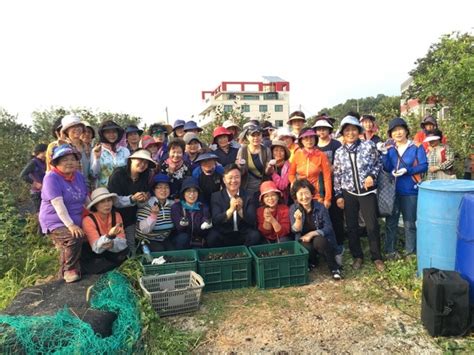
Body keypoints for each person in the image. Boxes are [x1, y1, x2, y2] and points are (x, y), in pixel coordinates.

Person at [333, 115, 384, 272]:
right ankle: (358, 256)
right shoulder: (339, 152)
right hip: (349, 193)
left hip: (367, 192)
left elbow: (378, 163)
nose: (350, 133)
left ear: (358, 131)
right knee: (352, 226)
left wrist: (371, 176)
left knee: (372, 225)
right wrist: (339, 195)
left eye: (353, 129)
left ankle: (377, 257)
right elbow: (337, 175)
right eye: (347, 130)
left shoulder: (368, 146)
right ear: (343, 133)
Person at [39, 144, 88, 283]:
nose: (70, 162)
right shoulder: (51, 178)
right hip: (56, 220)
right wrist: (71, 225)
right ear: (56, 162)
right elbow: (58, 205)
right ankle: (69, 269)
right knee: (75, 236)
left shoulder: (78, 176)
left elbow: (86, 198)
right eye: (65, 159)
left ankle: (62, 273)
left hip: (75, 218)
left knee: (87, 235)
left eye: (73, 159)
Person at [382, 117, 428, 258]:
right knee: (391, 222)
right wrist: (384, 155)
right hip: (393, 191)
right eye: (394, 131)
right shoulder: (391, 150)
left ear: (406, 131)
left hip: (410, 191)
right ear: (391, 134)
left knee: (409, 223)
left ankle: (410, 251)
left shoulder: (416, 147)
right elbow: (387, 167)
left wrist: (407, 170)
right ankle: (390, 251)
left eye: (400, 129)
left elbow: (424, 165)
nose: (398, 133)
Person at [289, 180, 342, 280]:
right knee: (304, 246)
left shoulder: (320, 207)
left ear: (311, 194)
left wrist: (312, 233)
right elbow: (295, 230)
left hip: (321, 239)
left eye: (306, 193)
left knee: (320, 241)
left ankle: (334, 268)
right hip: (304, 241)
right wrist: (298, 220)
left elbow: (328, 227)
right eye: (300, 194)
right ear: (295, 196)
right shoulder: (293, 208)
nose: (304, 197)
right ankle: (313, 262)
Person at [108, 149, 156, 254]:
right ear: (132, 159)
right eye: (140, 160)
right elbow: (114, 200)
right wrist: (132, 198)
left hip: (131, 217)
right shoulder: (118, 174)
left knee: (131, 246)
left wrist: (143, 199)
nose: (143, 164)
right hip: (115, 218)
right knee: (115, 246)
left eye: (146, 162)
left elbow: (140, 204)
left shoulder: (144, 176)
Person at [313, 119, 345, 263]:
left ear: (329, 130)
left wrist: (330, 168)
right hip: (317, 186)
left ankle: (339, 244)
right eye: (319, 129)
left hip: (334, 184)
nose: (321, 132)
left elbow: (340, 163)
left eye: (324, 129)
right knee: (321, 217)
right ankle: (324, 246)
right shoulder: (313, 146)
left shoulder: (336, 144)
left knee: (336, 215)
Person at [207, 164, 261, 247]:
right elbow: (216, 220)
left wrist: (240, 211)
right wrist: (231, 210)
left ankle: (244, 256)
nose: (234, 180)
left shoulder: (249, 195)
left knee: (255, 235)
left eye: (237, 177)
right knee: (212, 237)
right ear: (224, 180)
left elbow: (252, 220)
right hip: (224, 232)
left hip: (243, 232)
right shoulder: (216, 196)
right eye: (230, 178)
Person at [81, 188, 129, 274]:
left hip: (112, 250)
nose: (107, 204)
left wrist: (113, 244)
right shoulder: (88, 220)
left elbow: (123, 242)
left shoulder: (116, 215)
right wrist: (109, 236)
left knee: (124, 254)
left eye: (109, 200)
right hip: (95, 253)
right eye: (102, 201)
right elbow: (96, 248)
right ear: (95, 205)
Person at [289, 128, 332, 208]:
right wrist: (295, 183)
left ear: (315, 139)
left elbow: (327, 178)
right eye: (306, 138)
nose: (309, 140)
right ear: (301, 140)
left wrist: (327, 198)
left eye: (311, 137)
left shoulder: (321, 155)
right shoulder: (297, 155)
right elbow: (291, 174)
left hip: (317, 194)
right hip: (301, 194)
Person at [136, 173, 175, 252]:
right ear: (154, 190)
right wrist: (153, 215)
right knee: (159, 250)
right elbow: (144, 230)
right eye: (159, 187)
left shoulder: (171, 205)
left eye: (166, 187)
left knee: (173, 253)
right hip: (146, 240)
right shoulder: (147, 205)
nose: (163, 190)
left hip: (163, 239)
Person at [171, 178, 211, 249]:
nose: (192, 194)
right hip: (181, 241)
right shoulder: (176, 207)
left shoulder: (203, 206)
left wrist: (206, 223)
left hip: (197, 240)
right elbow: (179, 228)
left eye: (195, 191)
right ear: (183, 193)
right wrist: (182, 224)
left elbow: (206, 218)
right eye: (188, 191)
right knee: (183, 238)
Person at [90, 120, 130, 188]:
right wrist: (97, 158)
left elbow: (129, 172)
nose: (111, 135)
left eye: (114, 132)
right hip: (104, 191)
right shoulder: (96, 150)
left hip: (122, 190)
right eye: (108, 132)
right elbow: (93, 174)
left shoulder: (125, 151)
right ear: (103, 134)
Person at [236, 125, 272, 199]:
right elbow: (240, 172)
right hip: (246, 186)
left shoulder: (266, 150)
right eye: (253, 135)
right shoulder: (243, 150)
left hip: (262, 187)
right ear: (248, 137)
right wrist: (239, 165)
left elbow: (267, 173)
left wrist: (269, 167)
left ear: (261, 136)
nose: (256, 138)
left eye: (258, 135)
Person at [59, 114, 90, 179]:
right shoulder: (62, 147)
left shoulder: (87, 147)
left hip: (87, 185)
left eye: (79, 126)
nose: (77, 129)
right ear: (66, 131)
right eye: (73, 127)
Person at [20, 143, 47, 213]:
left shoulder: (45, 162)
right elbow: (23, 175)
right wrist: (36, 184)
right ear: (42, 152)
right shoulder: (34, 162)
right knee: (40, 213)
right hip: (37, 193)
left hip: (45, 191)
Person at [267, 140, 291, 204]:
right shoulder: (268, 164)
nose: (278, 153)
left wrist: (273, 173)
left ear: (285, 153)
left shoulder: (289, 166)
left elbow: (283, 186)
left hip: (285, 199)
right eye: (276, 150)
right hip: (269, 199)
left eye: (281, 150)